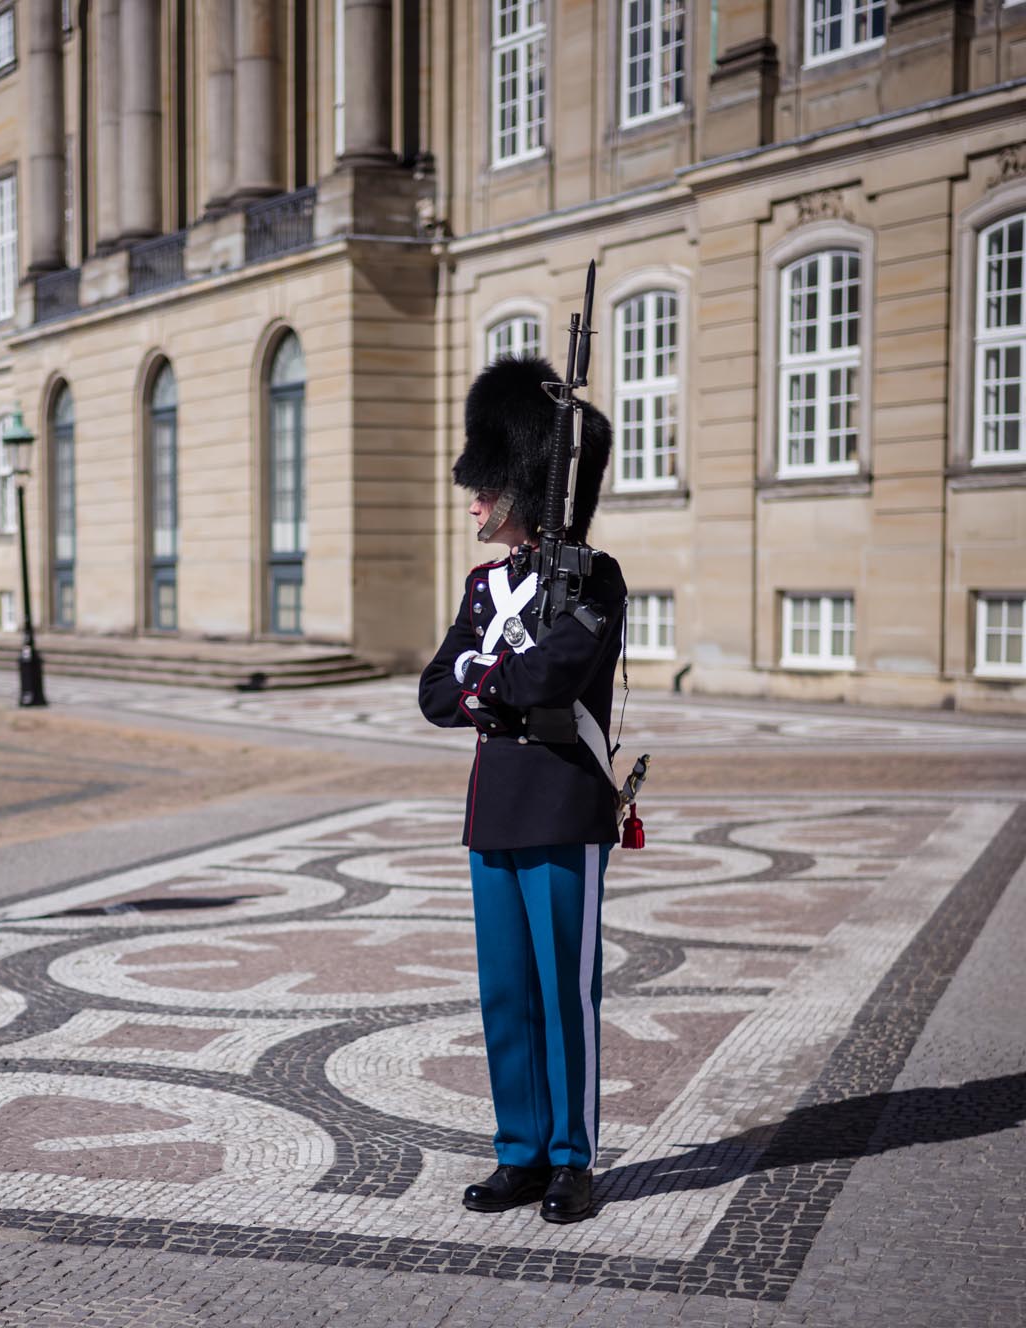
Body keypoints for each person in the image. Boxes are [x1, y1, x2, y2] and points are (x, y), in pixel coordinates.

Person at [417, 354, 625, 1227]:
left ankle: (573, 1158)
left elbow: (558, 672)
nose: (472, 500)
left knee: (564, 993)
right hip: (494, 811)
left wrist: (485, 676)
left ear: (521, 488)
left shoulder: (593, 577)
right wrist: (487, 678)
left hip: (564, 802)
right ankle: (521, 1152)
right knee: (506, 991)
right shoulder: (483, 588)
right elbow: (436, 692)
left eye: (485, 486)